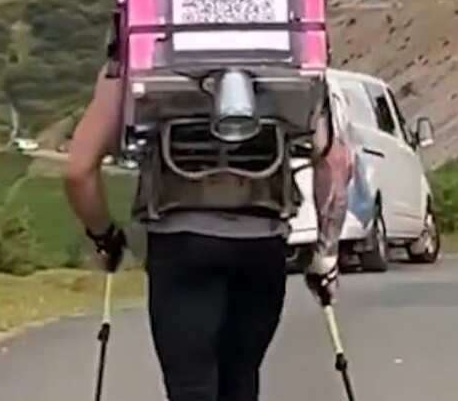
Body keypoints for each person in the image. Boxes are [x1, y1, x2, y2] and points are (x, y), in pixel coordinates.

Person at [64, 69, 353, 401]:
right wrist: (324, 256)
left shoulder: (137, 52)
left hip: (180, 243)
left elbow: (78, 173)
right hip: (261, 243)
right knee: (242, 379)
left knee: (191, 387)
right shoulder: (290, 49)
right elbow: (336, 160)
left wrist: (105, 236)